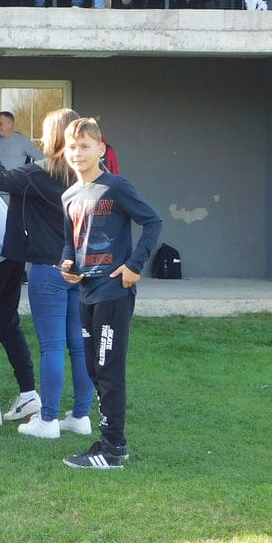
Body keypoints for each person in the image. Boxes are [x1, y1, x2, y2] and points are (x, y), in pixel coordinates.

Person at [0, 108, 92, 437]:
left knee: (52, 346)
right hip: (82, 268)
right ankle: (81, 416)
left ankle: (48, 420)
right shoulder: (88, 173)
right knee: (78, 345)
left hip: (49, 269)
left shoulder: (41, 172)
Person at [59, 117, 163, 469]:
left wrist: (135, 265)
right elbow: (69, 242)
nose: (77, 153)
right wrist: (67, 264)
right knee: (93, 367)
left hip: (113, 293)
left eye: (85, 146)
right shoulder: (69, 195)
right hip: (85, 293)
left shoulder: (116, 187)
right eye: (72, 147)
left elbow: (153, 221)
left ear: (100, 149)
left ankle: (113, 448)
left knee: (108, 368)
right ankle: (111, 441)